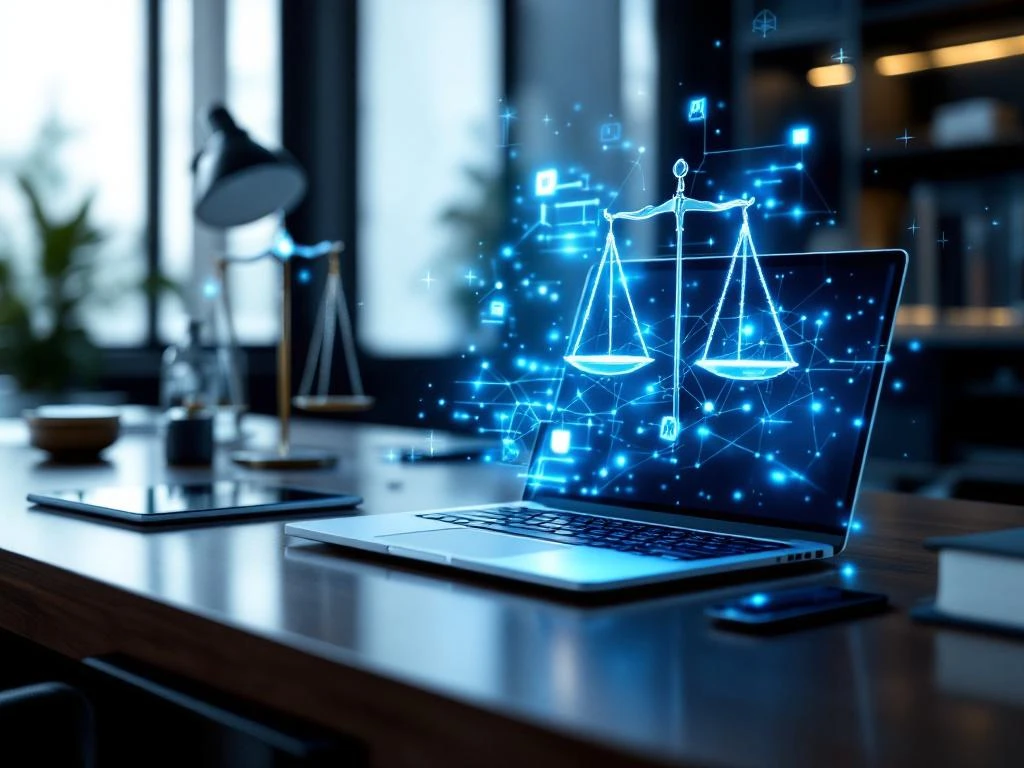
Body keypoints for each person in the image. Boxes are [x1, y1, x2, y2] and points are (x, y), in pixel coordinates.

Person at [604, 158, 754, 442]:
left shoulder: (686, 203)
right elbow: (643, 212)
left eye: (682, 177)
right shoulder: (668, 206)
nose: (680, 184)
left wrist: (737, 205)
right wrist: (616, 218)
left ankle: (676, 429)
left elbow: (711, 206)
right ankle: (671, 429)